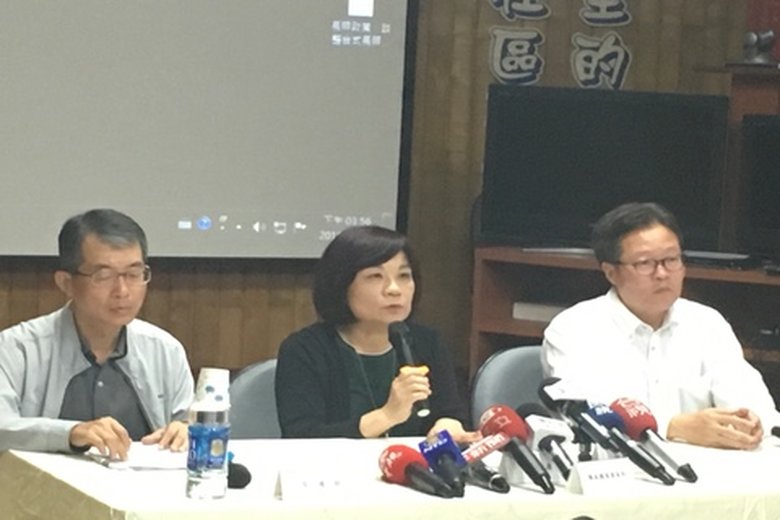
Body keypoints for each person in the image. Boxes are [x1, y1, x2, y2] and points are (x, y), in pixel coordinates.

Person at [542, 202, 780, 450]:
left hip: (710, 466)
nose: (662, 273)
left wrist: (752, 424)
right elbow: (587, 419)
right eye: (645, 263)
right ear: (611, 272)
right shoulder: (574, 329)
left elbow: (754, 406)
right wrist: (672, 427)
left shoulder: (707, 323)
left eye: (671, 259)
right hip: (619, 466)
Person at [0, 209, 194, 460]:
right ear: (66, 283)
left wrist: (185, 432)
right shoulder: (17, 348)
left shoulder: (165, 350)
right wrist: (71, 433)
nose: (122, 291)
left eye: (134, 274)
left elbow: (191, 424)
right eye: (103, 276)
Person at [275, 226, 479, 443]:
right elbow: (301, 436)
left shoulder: (427, 342)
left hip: (410, 464)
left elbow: (450, 413)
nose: (394, 289)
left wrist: (447, 426)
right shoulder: (304, 349)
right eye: (375, 276)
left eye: (404, 275)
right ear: (341, 284)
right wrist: (387, 416)